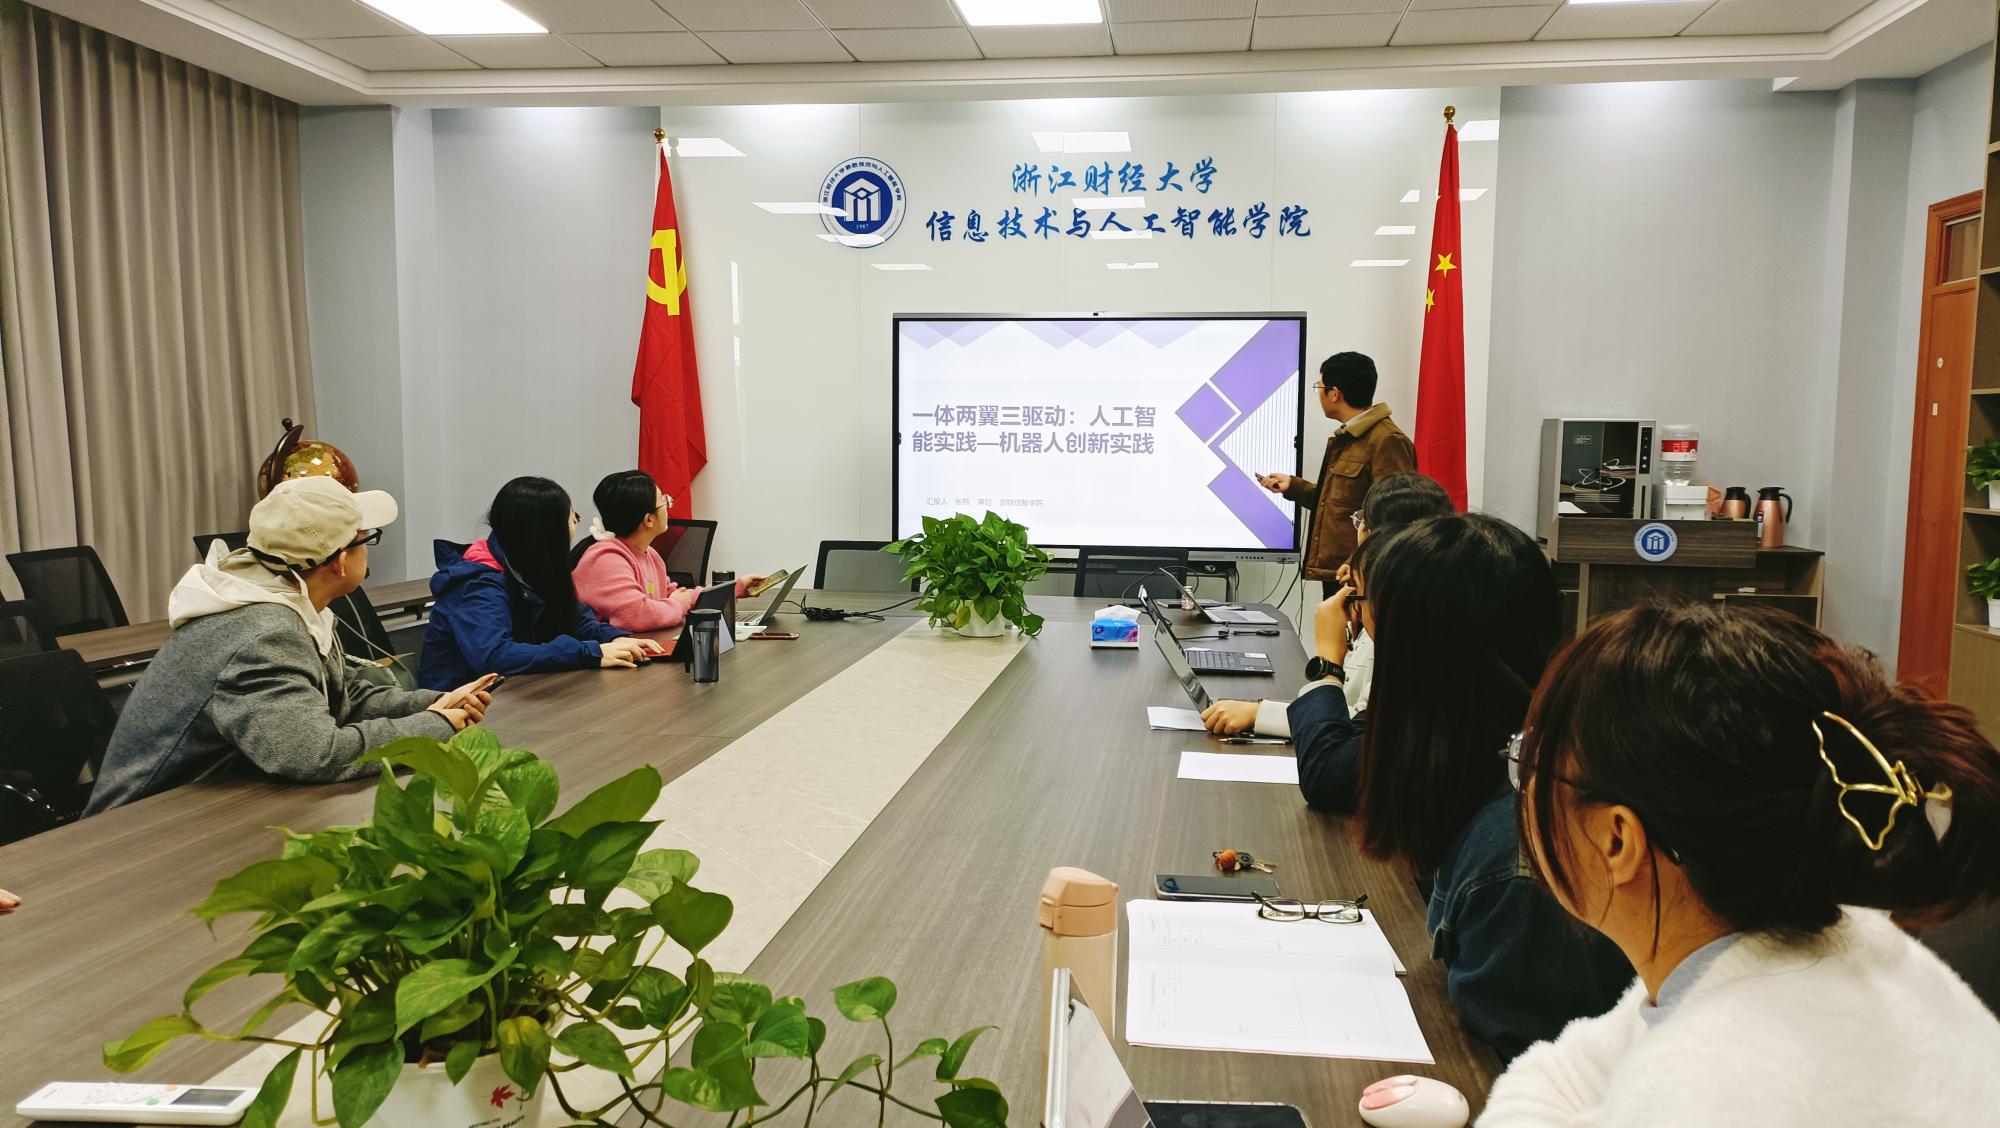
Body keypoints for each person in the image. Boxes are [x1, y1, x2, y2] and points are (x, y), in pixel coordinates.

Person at [1481, 604, 2000, 1126]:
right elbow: (1566, 1074)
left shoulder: (1713, 1081)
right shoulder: (1834, 941)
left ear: (1617, 839)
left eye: (1534, 762)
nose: (1524, 789)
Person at [1338, 514, 1632, 1059]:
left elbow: (1519, 1078)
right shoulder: (1501, 768)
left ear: (1416, 658)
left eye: (1366, 612)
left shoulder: (1520, 865)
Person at [84, 478, 494, 815]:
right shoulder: (265, 632)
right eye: (366, 539)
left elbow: (342, 697)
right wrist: (434, 727)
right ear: (338, 562)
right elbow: (314, 753)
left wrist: (433, 705)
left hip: (217, 805)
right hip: (143, 831)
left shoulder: (290, 600)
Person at [1201, 472, 1451, 741]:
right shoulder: (1429, 609)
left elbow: (1353, 729)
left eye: (1360, 522)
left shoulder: (1400, 625)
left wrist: (1328, 662)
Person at [422, 476, 664, 690]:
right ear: (547, 532)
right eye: (573, 519)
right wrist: (589, 652)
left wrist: (615, 639)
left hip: (518, 695)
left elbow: (577, 621)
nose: (575, 527)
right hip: (459, 708)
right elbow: (496, 656)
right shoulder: (477, 584)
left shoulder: (533, 566)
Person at [1256, 351, 1416, 585]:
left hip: (1358, 576)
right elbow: (1339, 503)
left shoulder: (1387, 440)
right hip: (1340, 572)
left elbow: (1394, 517)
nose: (1319, 394)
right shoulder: (1349, 438)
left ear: (1334, 394)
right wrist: (1294, 486)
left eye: (1319, 388)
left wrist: (1356, 564)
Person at [572, 469, 761, 633]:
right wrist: (680, 603)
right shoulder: (606, 558)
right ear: (648, 520)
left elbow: (674, 596)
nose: (669, 505)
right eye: (663, 501)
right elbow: (639, 615)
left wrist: (734, 589)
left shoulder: (650, 554)